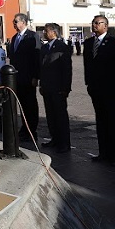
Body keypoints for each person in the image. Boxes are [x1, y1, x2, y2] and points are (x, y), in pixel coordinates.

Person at [83, 15, 115, 166]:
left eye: (98, 23)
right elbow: (87, 65)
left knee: (114, 121)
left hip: (112, 89)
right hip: (96, 89)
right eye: (93, 23)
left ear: (106, 26)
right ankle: (103, 152)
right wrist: (88, 84)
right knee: (101, 121)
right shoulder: (89, 43)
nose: (95, 25)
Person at [7, 13, 41, 142]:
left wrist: (35, 76)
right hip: (17, 78)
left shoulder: (33, 36)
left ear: (23, 22)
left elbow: (36, 57)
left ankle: (31, 130)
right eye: (13, 22)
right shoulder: (15, 37)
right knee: (22, 105)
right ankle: (24, 128)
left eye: (16, 21)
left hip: (28, 77)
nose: (14, 24)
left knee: (30, 105)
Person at [39, 23, 72, 153]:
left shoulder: (62, 47)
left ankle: (64, 142)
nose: (44, 33)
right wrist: (41, 84)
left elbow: (67, 69)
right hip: (47, 86)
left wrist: (66, 88)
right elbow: (42, 67)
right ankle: (55, 139)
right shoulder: (45, 47)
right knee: (50, 115)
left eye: (46, 31)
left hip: (58, 87)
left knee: (60, 115)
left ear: (54, 32)